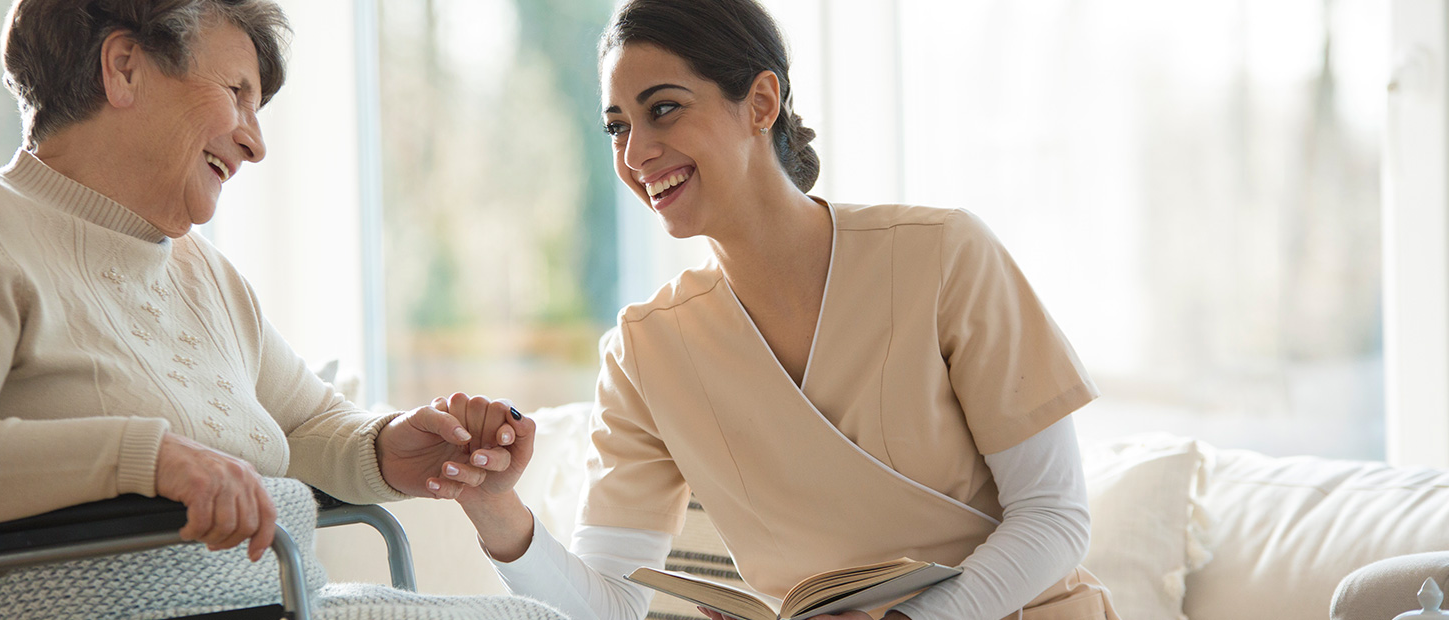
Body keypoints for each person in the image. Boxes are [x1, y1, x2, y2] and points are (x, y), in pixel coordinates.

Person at [0, 2, 551, 619]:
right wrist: (145, 459)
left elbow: (305, 426)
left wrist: (387, 450)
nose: (255, 140)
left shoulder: (204, 273)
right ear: (124, 67)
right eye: (238, 94)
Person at [433, 1, 1123, 619]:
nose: (636, 153)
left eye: (663, 108)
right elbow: (608, 604)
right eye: (617, 126)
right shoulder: (646, 352)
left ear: (761, 101)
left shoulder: (943, 255)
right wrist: (494, 509)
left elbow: (1054, 517)